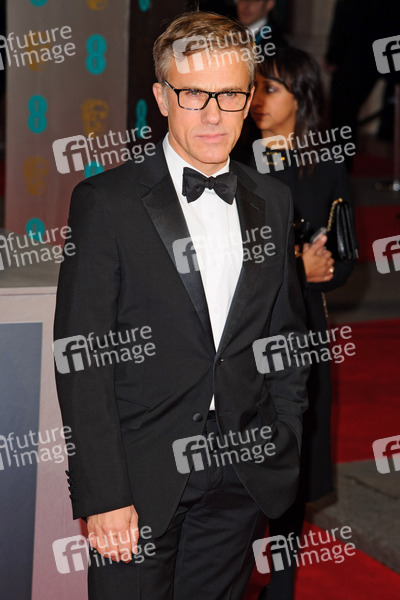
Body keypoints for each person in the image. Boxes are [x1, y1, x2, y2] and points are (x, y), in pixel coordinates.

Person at [53, 12, 309, 600]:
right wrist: (104, 494)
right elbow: (82, 360)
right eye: (194, 94)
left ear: (250, 99)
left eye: (229, 94)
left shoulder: (272, 200)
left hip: (242, 472)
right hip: (139, 477)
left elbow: (286, 339)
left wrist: (285, 434)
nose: (214, 114)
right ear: (163, 97)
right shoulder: (106, 202)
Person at [245, 46, 357, 599]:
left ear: (302, 98)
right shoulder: (235, 158)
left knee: (293, 456)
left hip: (302, 331)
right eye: (255, 87)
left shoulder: (326, 165)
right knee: (239, 457)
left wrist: (318, 272)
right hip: (240, 330)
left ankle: (282, 587)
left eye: (272, 89)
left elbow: (345, 257)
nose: (258, 100)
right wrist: (296, 266)